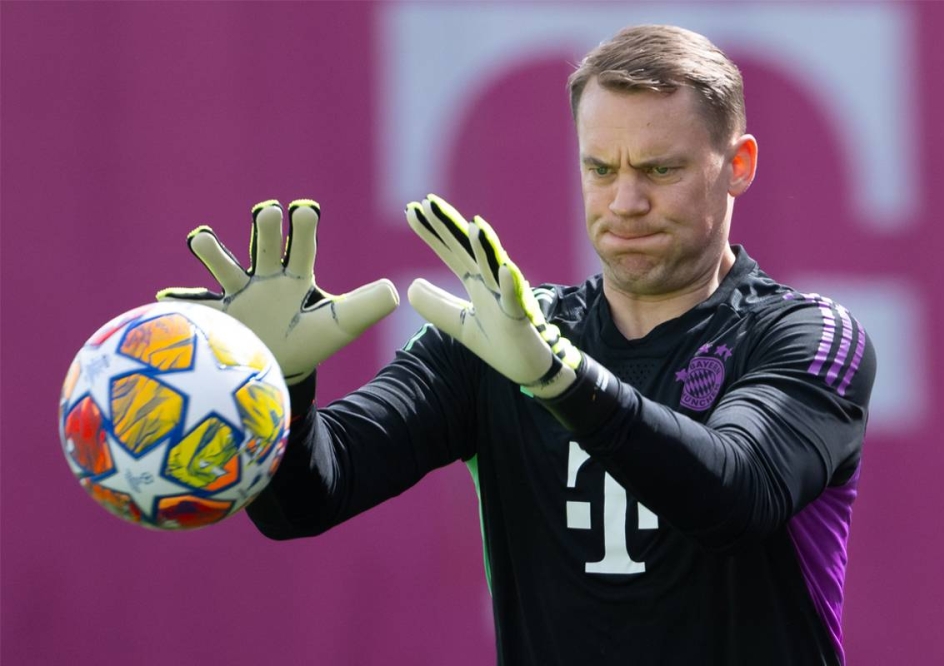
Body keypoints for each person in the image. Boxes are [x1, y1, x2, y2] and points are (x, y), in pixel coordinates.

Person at [159, 24, 875, 666]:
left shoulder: (807, 334)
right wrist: (281, 387)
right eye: (601, 168)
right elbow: (305, 502)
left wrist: (558, 379)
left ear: (738, 165)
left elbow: (736, 496)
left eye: (660, 170)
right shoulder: (503, 337)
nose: (625, 202)